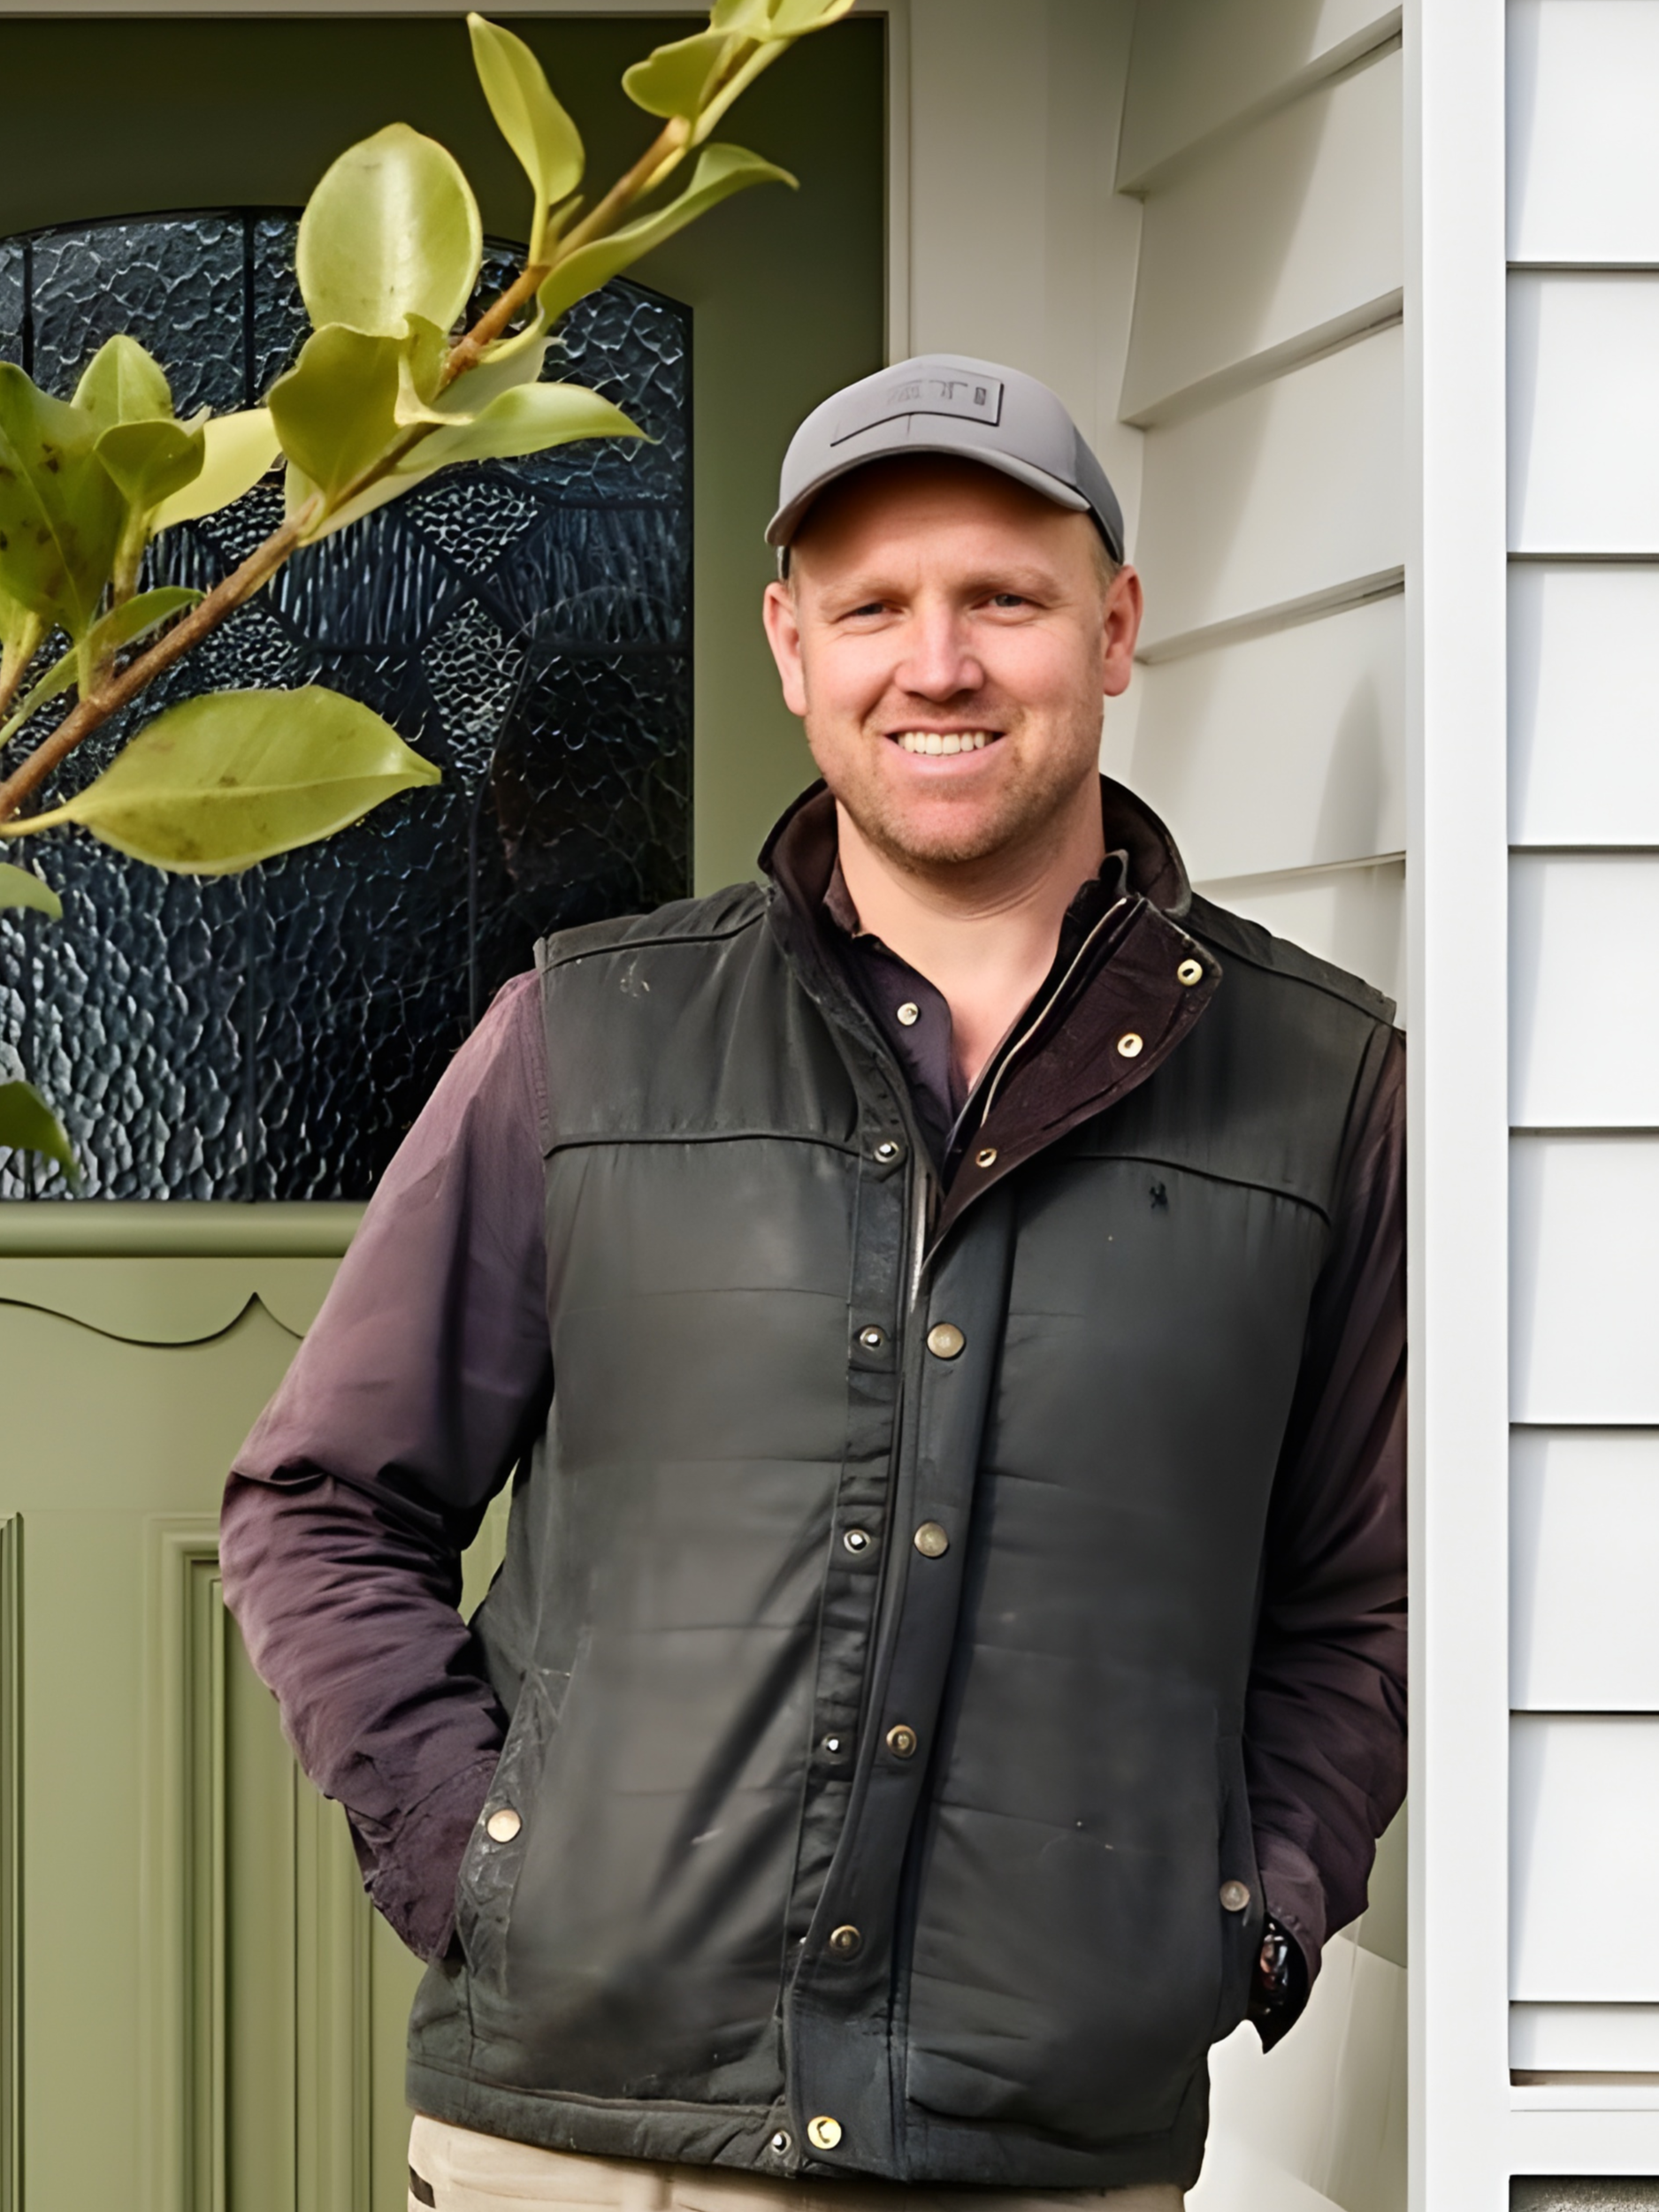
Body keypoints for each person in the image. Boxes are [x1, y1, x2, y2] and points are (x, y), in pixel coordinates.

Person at [222, 355, 1406, 2212]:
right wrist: (480, 1867)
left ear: (1112, 629)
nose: (934, 663)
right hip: (585, 2148)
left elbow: (1369, 1594)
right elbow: (319, 1504)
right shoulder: (584, 1038)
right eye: (872, 607)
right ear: (790, 647)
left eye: (1000, 600)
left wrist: (1242, 1918)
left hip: (1048, 2159)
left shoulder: (1320, 1083)